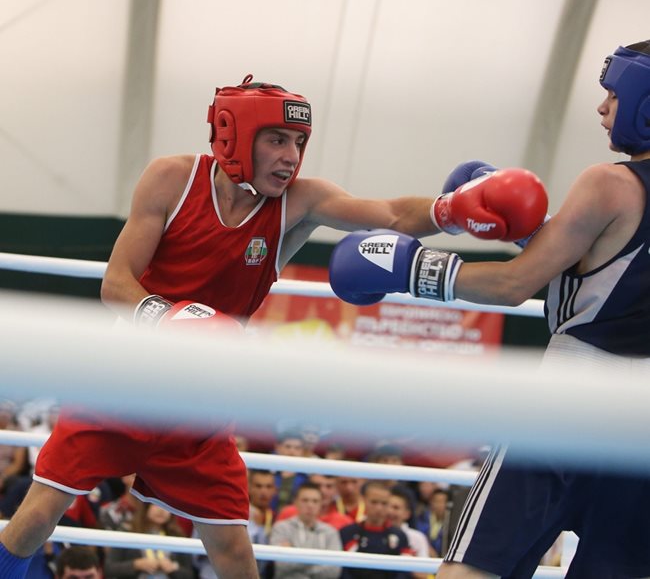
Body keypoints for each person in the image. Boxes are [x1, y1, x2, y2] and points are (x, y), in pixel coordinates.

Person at [0, 74, 544, 579]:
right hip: (122, 381)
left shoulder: (299, 202)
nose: (291, 157)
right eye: (277, 140)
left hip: (198, 402)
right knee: (39, 513)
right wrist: (173, 318)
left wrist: (454, 209)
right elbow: (116, 284)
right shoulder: (172, 178)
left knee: (234, 548)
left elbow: (393, 214)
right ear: (233, 136)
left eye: (299, 143)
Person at [329, 40, 650, 577]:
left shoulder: (610, 184)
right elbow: (611, 274)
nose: (601, 108)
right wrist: (525, 231)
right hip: (639, 431)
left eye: (613, 95)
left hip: (567, 404)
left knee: (470, 572)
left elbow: (512, 286)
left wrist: (408, 269)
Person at [339, 481, 411, 579]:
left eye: (384, 503)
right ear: (364, 500)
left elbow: (404, 572)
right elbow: (343, 570)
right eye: (374, 502)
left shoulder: (400, 536)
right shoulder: (347, 533)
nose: (379, 508)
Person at [103, 502, 193, 579]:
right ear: (145, 507)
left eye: (166, 506)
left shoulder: (177, 536)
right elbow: (109, 569)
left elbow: (190, 574)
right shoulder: (127, 532)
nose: (161, 510)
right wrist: (136, 564)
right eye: (156, 504)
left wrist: (173, 568)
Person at [270, 483, 342, 579]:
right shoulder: (281, 528)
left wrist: (294, 555)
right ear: (295, 502)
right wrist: (319, 560)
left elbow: (334, 570)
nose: (310, 505)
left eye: (315, 501)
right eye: (305, 500)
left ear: (321, 504)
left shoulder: (330, 532)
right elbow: (281, 564)